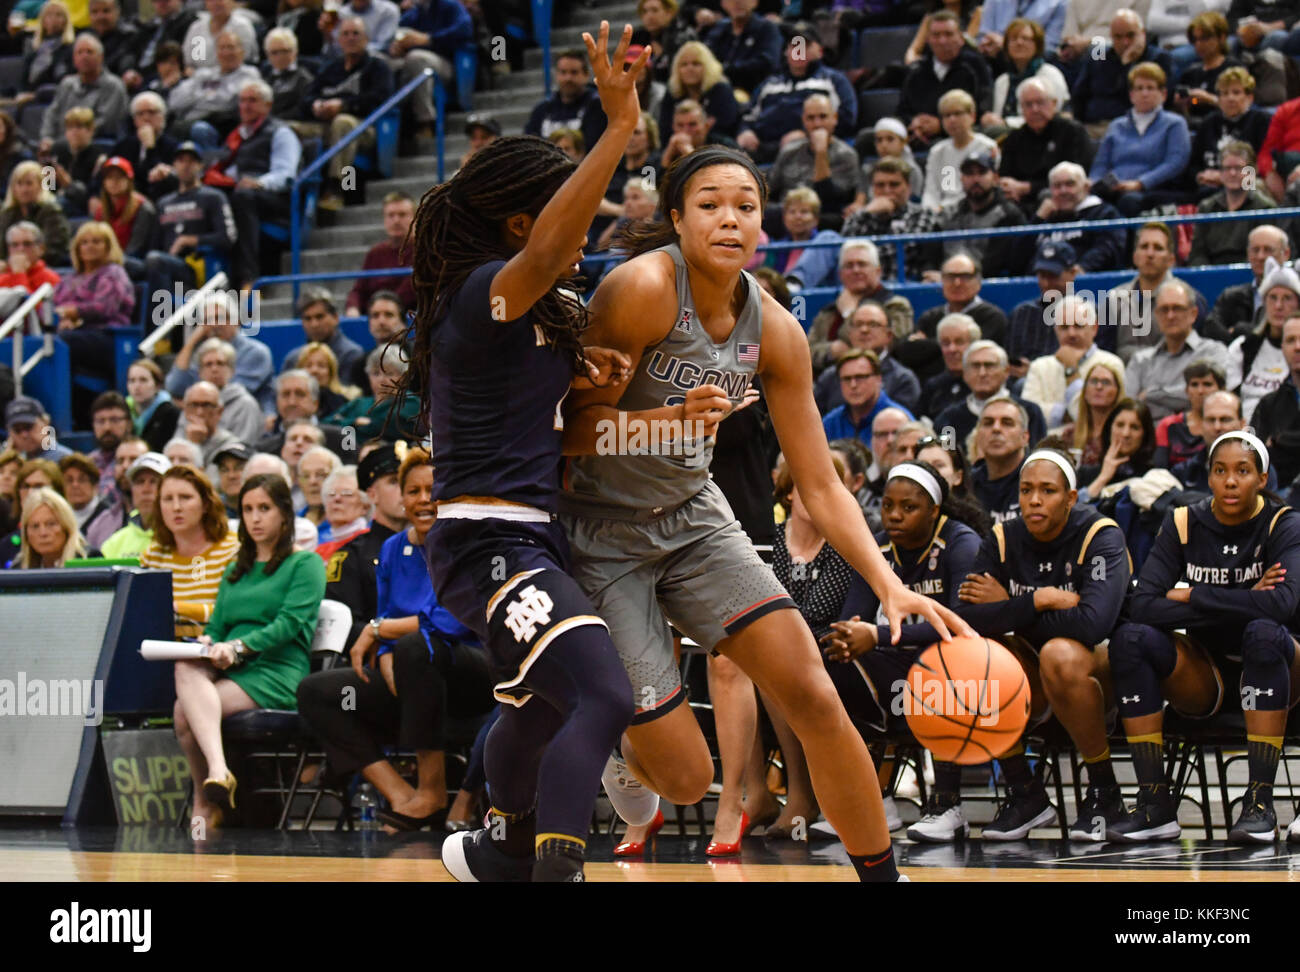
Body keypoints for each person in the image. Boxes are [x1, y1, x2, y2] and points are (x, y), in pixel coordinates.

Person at [560, 142, 972, 883]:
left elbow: (820, 484)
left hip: (693, 516)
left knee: (812, 690)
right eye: (711, 204)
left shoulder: (776, 329)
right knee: (685, 779)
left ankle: (883, 876)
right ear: (678, 219)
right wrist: (672, 420)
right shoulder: (639, 289)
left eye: (745, 206)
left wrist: (887, 583)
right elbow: (568, 432)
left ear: (764, 224)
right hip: (602, 530)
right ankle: (622, 744)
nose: (730, 219)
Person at [402, 25, 649, 883]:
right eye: (561, 222)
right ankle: (549, 869)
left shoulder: (532, 318)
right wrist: (617, 129)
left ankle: (497, 851)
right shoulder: (480, 295)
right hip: (484, 540)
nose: (581, 242)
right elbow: (549, 249)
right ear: (521, 221)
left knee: (548, 707)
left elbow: (539, 414)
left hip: (531, 537)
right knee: (604, 697)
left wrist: (594, 382)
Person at [835, 447, 1133, 839]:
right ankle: (1026, 794)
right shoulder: (1003, 536)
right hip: (1032, 673)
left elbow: (1092, 625)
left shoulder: (1101, 534)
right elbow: (968, 620)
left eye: (1047, 491)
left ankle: (1104, 792)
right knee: (967, 656)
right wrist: (1035, 601)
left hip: (1103, 675)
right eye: (1027, 490)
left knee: (1060, 652)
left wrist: (1010, 608)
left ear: (1072, 498)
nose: (1035, 500)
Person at [1109, 431, 1300, 842]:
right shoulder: (1183, 521)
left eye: (1242, 471)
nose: (1231, 481)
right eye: (1220, 471)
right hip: (1205, 673)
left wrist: (1193, 593)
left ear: (1262, 479)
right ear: (1209, 478)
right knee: (1131, 639)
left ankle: (1260, 803)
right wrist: (1247, 596)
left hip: (1281, 668)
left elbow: (1282, 605)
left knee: (1264, 632)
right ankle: (1154, 804)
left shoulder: (1284, 524)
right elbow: (1142, 604)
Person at [298, 447, 493, 831]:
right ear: (401, 498)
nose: (423, 500)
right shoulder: (391, 548)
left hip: (472, 671)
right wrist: (385, 652)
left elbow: (450, 622)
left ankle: (432, 790)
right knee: (316, 692)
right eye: (413, 491)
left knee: (418, 646)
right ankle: (401, 795)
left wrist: (379, 634)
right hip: (412, 672)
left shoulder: (468, 544)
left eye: (432, 490)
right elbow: (385, 613)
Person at [817, 460, 980, 840]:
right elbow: (852, 617)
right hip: (896, 659)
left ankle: (948, 806)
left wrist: (877, 634)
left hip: (963, 663)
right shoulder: (877, 545)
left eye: (909, 508)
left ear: (934, 510)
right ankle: (874, 797)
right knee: (831, 661)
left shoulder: (961, 543)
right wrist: (848, 636)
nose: (894, 515)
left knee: (942, 667)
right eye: (888, 505)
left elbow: (960, 625)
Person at [176, 472, 326, 826]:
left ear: (285, 514)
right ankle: (215, 777)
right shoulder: (236, 568)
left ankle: (206, 801)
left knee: (184, 713)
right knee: (184, 666)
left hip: (277, 670)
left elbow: (289, 624)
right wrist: (207, 642)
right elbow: (218, 625)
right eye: (247, 509)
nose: (255, 518)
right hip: (232, 666)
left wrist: (240, 647)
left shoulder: (305, 564)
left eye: (265, 508)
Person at [204, 79, 302, 290]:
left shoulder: (281, 133)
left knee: (242, 197)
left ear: (267, 105)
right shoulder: (237, 136)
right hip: (243, 195)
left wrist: (259, 183)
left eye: (252, 101)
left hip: (276, 200)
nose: (245, 106)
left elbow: (286, 175)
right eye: (242, 101)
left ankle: (249, 277)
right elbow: (227, 168)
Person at [298, 16, 394, 210]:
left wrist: (343, 105)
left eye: (356, 33)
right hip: (326, 123)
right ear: (339, 40)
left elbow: (380, 99)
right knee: (287, 129)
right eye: (345, 34)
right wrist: (316, 106)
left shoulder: (378, 67)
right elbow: (306, 99)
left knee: (343, 123)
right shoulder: (330, 69)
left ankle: (338, 188)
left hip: (365, 126)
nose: (351, 38)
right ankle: (294, 186)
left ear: (366, 38)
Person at [139, 464, 239, 636]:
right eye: (168, 499)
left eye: (185, 497)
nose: (176, 507)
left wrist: (178, 609)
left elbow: (234, 613)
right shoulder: (153, 556)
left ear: (206, 504)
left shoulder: (233, 550)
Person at [734, 25, 856, 164]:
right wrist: (745, 131)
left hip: (808, 150)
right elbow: (749, 115)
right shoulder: (769, 84)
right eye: (794, 46)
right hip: (762, 148)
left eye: (805, 45)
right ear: (786, 52)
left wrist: (807, 134)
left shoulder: (834, 80)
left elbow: (847, 118)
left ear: (820, 51)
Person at [145, 140, 237, 321]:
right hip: (165, 265)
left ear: (201, 166)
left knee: (155, 261)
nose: (186, 166)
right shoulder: (164, 203)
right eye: (181, 160)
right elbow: (153, 244)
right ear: (174, 166)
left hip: (196, 267)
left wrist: (190, 240)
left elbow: (228, 237)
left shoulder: (213, 197)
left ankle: (161, 333)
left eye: (191, 161)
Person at [1088, 61, 1192, 217]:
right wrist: (1094, 182)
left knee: (1128, 201)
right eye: (1139, 88)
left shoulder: (1174, 124)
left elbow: (1175, 162)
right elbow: (1101, 164)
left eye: (1150, 88)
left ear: (1163, 94)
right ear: (1131, 95)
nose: (1144, 93)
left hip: (1153, 190)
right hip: (1114, 187)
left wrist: (1141, 183)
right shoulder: (1116, 126)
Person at [1125, 278, 1229, 420]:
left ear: (1193, 314)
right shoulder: (1141, 360)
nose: (1170, 316)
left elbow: (1215, 398)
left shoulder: (1213, 353)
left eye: (1177, 308)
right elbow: (1130, 407)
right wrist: (1183, 398)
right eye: (1164, 309)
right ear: (1156, 315)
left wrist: (1151, 395)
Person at [1022, 295, 1126, 430]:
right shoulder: (1039, 366)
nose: (1071, 333)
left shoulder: (1111, 364)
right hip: (1047, 446)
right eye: (1064, 327)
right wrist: (1066, 413)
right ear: (1056, 330)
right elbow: (1029, 416)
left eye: (1078, 326)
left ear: (1094, 328)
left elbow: (1108, 417)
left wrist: (1071, 368)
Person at [998, 78, 1095, 218]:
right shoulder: (1014, 138)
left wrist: (1027, 188)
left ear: (1054, 104)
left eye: (1040, 102)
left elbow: (1077, 178)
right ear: (1021, 110)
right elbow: (1005, 175)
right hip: (1019, 202)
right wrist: (1009, 187)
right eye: (1028, 105)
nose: (1035, 109)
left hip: (1061, 196)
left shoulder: (1072, 131)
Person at [896, 10, 992, 148]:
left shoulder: (975, 66)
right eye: (936, 35)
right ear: (928, 39)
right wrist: (914, 122)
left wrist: (942, 124)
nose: (942, 41)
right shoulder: (917, 70)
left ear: (961, 38)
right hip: (918, 136)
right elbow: (902, 111)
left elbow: (982, 109)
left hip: (961, 134)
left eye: (948, 34)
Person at [1071, 11, 1174, 136]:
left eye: (1131, 35)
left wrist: (1128, 64)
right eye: (1118, 37)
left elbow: (1156, 100)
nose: (1125, 42)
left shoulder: (1159, 58)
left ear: (1143, 34)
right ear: (1111, 37)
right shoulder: (1099, 56)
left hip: (1135, 129)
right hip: (1092, 126)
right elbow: (1079, 95)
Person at [935, 340, 1048, 452]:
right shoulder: (948, 419)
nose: (982, 373)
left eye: (989, 366)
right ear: (964, 373)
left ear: (1006, 371)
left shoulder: (1030, 412)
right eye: (975, 366)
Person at [764, 94, 861, 222]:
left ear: (835, 118)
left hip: (821, 218)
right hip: (786, 215)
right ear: (803, 120)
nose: (817, 124)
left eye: (823, 117)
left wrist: (821, 153)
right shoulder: (789, 151)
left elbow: (828, 200)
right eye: (811, 118)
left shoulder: (846, 155)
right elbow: (769, 189)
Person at [841, 158, 942, 282]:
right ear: (872, 189)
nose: (887, 191)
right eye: (880, 185)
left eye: (894, 185)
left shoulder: (923, 214)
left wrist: (866, 256)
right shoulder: (862, 215)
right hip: (864, 286)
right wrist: (866, 212)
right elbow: (845, 250)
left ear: (908, 188)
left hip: (906, 286)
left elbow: (904, 249)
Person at [814, 301, 920, 416]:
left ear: (888, 335)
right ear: (849, 334)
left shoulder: (903, 380)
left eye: (873, 324)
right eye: (858, 324)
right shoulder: (829, 377)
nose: (864, 330)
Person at [936, 150, 1029, 278]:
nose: (975, 179)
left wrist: (956, 275)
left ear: (995, 178)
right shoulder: (950, 214)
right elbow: (931, 255)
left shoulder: (1009, 215)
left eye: (982, 172)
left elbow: (996, 264)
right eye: (969, 174)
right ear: (961, 179)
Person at [805, 239, 893, 373]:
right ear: (840, 274)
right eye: (849, 265)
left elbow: (889, 343)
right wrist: (831, 350)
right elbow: (806, 351)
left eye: (862, 264)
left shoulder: (895, 305)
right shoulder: (829, 311)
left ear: (878, 271)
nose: (855, 270)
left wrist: (849, 313)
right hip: (828, 381)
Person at [1188, 143, 1280, 267]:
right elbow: (1197, 253)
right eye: (1226, 168)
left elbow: (1263, 253)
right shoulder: (1206, 207)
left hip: (1250, 273)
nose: (1232, 173)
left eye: (1238, 168)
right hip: (1210, 276)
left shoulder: (1265, 208)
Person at [1228, 259, 1298, 421]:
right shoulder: (1243, 347)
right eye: (1272, 297)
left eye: (1287, 298)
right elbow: (1229, 401)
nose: (1279, 306)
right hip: (1243, 432)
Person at [38, 33, 129, 150]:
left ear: (101, 57)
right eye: (79, 52)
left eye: (89, 52)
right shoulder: (67, 84)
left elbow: (105, 123)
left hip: (94, 147)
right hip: (60, 147)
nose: (84, 56)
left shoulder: (114, 86)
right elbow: (52, 115)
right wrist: (47, 138)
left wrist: (72, 138)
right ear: (74, 59)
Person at [1032, 161, 1125, 272]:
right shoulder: (1045, 218)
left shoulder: (1104, 213)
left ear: (1086, 187)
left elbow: (1108, 248)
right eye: (1057, 186)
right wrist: (1038, 219)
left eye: (1070, 184)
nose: (1063, 191)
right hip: (1041, 284)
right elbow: (1017, 259)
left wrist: (1082, 268)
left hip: (1090, 285)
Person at [1205, 225, 1292, 343]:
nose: (1260, 256)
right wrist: (1243, 346)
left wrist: (1242, 331)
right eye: (1255, 250)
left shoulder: (1297, 296)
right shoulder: (1231, 297)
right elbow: (1210, 328)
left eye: (1268, 250)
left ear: (1286, 253)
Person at [982, 17, 1070, 133]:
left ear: (1037, 45)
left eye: (1026, 39)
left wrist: (1007, 123)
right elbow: (998, 115)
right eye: (1013, 39)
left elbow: (1052, 115)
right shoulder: (1002, 81)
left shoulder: (1050, 74)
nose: (1019, 43)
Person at [921, 90, 998, 212]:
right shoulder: (937, 152)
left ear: (972, 116)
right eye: (947, 115)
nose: (952, 120)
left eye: (957, 113)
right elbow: (931, 191)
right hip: (943, 213)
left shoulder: (987, 147)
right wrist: (930, 210)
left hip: (975, 209)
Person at [822, 349, 915, 449]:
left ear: (878, 379)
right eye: (846, 379)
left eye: (860, 377)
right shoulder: (830, 423)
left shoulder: (900, 420)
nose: (853, 385)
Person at [915, 252, 1009, 346]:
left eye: (965, 277)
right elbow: (910, 349)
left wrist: (927, 344)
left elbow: (974, 354)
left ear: (978, 282)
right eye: (950, 277)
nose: (957, 283)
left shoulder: (992, 317)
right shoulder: (929, 317)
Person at [524, 47, 608, 151]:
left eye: (574, 72)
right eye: (563, 72)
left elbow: (597, 149)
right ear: (556, 75)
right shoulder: (542, 109)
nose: (568, 78)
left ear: (586, 75)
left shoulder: (598, 107)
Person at [87, 156, 157, 277]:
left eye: (119, 177)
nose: (114, 182)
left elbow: (136, 249)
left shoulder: (142, 208)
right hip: (108, 262)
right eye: (109, 177)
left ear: (129, 180)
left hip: (135, 262)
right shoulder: (100, 210)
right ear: (104, 182)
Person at [1252, 315, 1300, 487]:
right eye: (1290, 340)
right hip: (1276, 494)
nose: (1298, 347)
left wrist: (1279, 441)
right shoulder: (1268, 403)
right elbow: (1250, 452)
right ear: (1282, 347)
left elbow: (1269, 453)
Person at [1153, 359, 1227, 469]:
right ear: (1187, 390)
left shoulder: (1230, 424)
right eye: (1194, 385)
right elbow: (1160, 471)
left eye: (1207, 384)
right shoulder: (1168, 425)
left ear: (1222, 390)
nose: (1200, 391)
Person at [657, 39, 737, 139]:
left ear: (708, 67)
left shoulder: (721, 90)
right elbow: (664, 130)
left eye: (696, 63)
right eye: (684, 64)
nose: (690, 68)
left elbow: (726, 128)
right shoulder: (672, 93)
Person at [0, 160, 72, 268]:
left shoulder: (51, 211)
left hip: (43, 268)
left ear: (40, 185)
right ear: (13, 188)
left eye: (29, 183)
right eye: (19, 183)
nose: (24, 189)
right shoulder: (6, 214)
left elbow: (55, 249)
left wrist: (25, 263)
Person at [702, 0, 782, 96]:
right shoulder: (718, 30)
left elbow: (767, 63)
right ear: (723, 3)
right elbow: (705, 59)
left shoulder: (767, 28)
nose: (738, 2)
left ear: (755, 2)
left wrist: (724, 70)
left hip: (755, 92)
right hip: (717, 92)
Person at [282, 287, 365, 379]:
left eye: (319, 317)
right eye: (308, 318)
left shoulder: (352, 355)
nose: (314, 324)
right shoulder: (293, 359)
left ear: (335, 318)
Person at [100, 450, 169, 558]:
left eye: (154, 481)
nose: (146, 489)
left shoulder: (181, 538)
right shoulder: (114, 543)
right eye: (140, 481)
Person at [971, 396, 1029, 523]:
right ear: (978, 435)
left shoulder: (1038, 480)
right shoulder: (966, 486)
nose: (996, 428)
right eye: (988, 423)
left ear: (1025, 437)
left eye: (1007, 423)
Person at [6, 487, 87, 568]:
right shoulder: (18, 568)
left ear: (67, 527)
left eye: (51, 524)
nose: (43, 533)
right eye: (35, 526)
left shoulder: (87, 560)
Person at [1072, 358, 1127, 467]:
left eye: (1106, 382)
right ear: (1085, 391)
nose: (1099, 387)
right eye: (1093, 381)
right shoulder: (1070, 434)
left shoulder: (1125, 434)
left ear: (1117, 391)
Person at [182, 0, 257, 72]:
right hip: (199, 78)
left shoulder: (242, 26)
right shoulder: (196, 27)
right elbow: (188, 62)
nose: (216, 3)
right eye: (212, 0)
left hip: (233, 77)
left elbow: (245, 59)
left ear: (232, 2)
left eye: (221, 0)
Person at [123, 361, 177, 453]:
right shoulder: (122, 409)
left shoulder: (170, 413)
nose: (137, 386)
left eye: (143, 380)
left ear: (157, 385)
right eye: (132, 380)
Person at [297, 341, 359, 417]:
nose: (314, 370)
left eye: (321, 365)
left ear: (331, 372)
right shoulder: (292, 400)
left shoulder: (345, 402)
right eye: (308, 365)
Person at [59, 452, 113, 535]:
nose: (75, 485)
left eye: (82, 480)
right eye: (69, 480)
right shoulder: (58, 515)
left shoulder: (109, 516)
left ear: (95, 485)